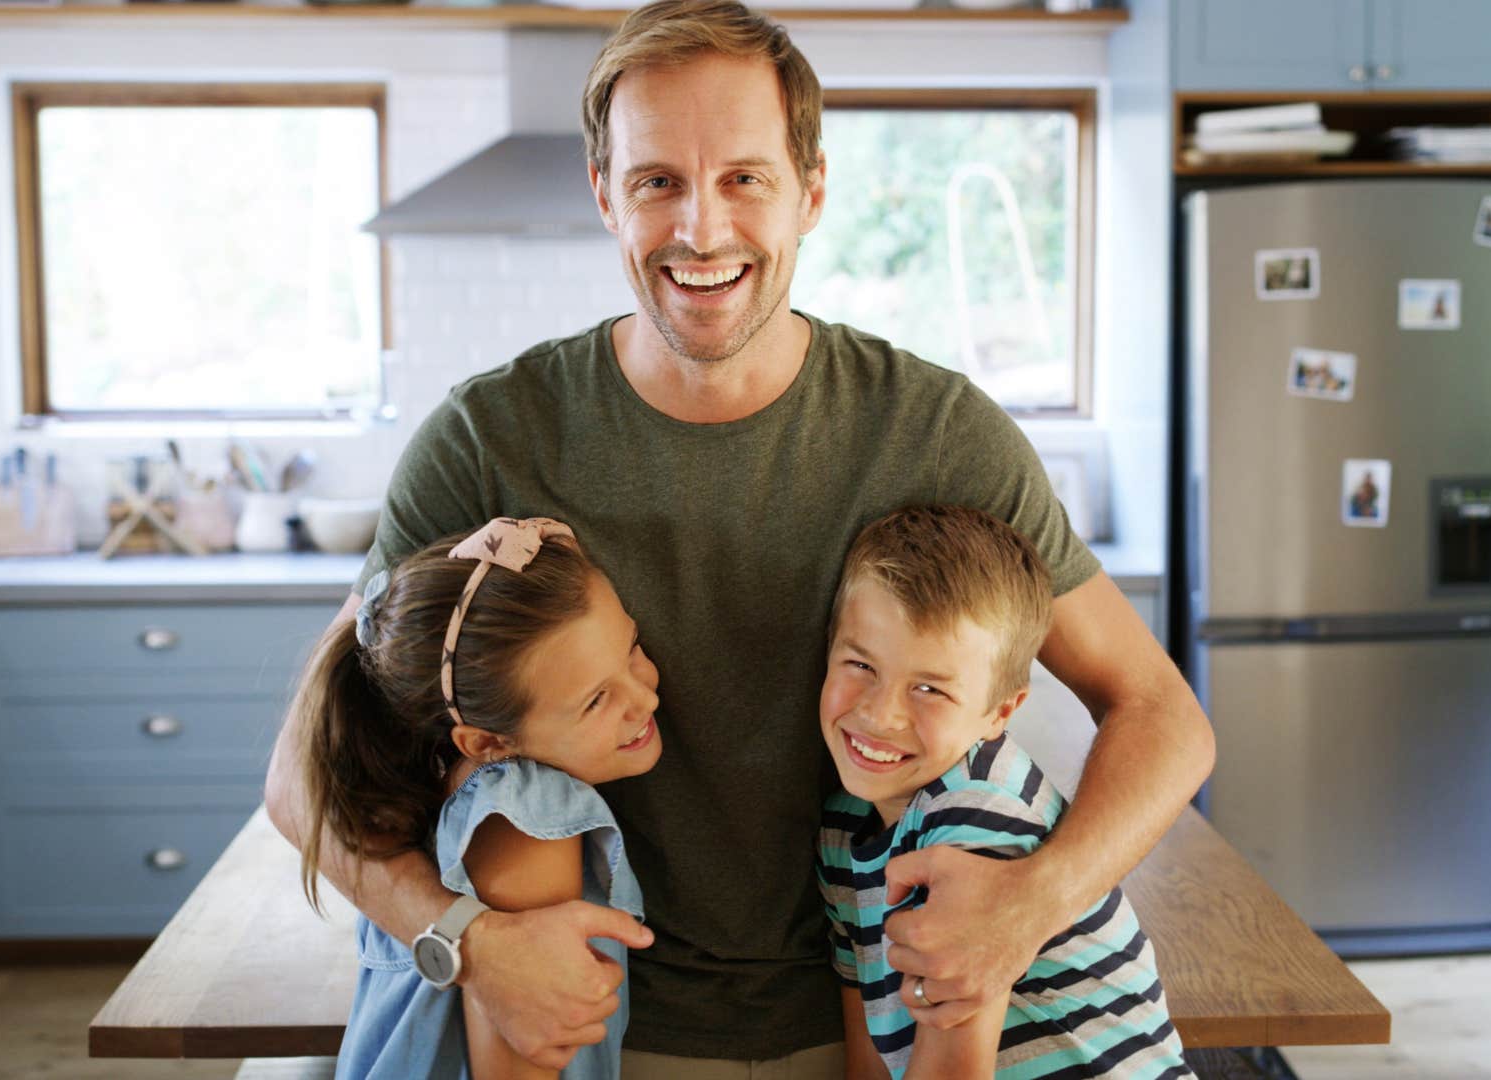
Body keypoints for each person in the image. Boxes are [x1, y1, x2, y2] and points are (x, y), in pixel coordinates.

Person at [265, 1, 1215, 1075]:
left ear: (811, 190)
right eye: (656, 180)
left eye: (744, 179)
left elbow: (1161, 715)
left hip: (874, 1029)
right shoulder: (489, 438)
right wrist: (462, 941)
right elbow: (305, 772)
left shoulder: (940, 431)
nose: (700, 230)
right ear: (605, 197)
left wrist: (1032, 901)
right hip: (601, 1034)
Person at [816, 506, 1191, 1079]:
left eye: (928, 688)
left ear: (1000, 711)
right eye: (861, 663)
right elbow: (869, 1058)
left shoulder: (976, 812)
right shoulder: (843, 829)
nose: (879, 713)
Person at [289, 517, 662, 1079]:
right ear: (488, 742)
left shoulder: (429, 781)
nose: (643, 697)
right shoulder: (528, 817)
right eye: (595, 701)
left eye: (631, 649)